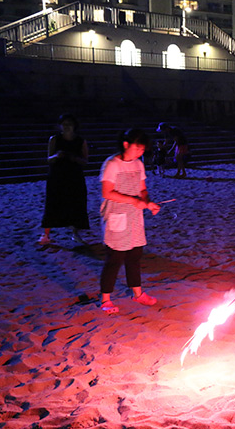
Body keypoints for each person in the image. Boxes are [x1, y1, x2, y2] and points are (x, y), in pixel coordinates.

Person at [99, 128, 161, 315]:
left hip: (135, 217)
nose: (140, 152)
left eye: (142, 150)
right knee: (115, 259)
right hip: (116, 216)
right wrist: (135, 201)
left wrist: (148, 202)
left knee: (134, 256)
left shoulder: (138, 165)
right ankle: (106, 299)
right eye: (137, 148)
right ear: (126, 144)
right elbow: (106, 192)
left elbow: (142, 189)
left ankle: (137, 293)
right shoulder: (112, 164)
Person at [39, 113, 90, 245]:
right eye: (64, 124)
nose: (67, 127)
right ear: (60, 126)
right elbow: (48, 159)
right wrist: (57, 155)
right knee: (52, 203)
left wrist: (74, 158)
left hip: (74, 176)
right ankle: (46, 234)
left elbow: (85, 160)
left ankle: (75, 233)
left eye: (70, 124)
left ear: (74, 126)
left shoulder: (80, 141)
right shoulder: (54, 139)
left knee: (76, 204)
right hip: (57, 175)